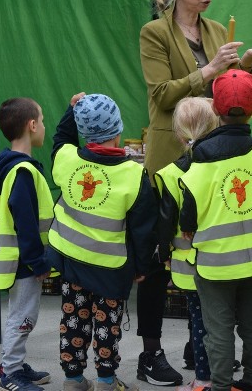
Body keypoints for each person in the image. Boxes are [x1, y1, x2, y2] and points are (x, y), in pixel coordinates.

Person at [138, 0, 252, 378]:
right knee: (164, 258)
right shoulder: (154, 33)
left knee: (207, 253)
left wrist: (247, 65)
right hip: (172, 153)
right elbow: (160, 95)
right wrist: (209, 70)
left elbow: (231, 90)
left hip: (214, 153)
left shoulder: (218, 29)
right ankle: (151, 352)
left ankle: (203, 345)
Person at [47, 93, 157, 391]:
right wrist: (142, 266)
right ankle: (107, 381)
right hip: (112, 268)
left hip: (73, 263)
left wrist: (71, 112)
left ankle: (73, 380)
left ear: (84, 133)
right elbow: (144, 231)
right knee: (107, 326)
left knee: (73, 322)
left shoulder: (67, 160)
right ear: (118, 131)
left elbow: (61, 140)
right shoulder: (133, 175)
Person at [179, 69, 252, 391]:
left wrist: (188, 229)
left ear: (215, 110)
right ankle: (251, 383)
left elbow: (189, 204)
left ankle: (220, 386)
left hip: (214, 263)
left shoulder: (200, 156)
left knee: (217, 329)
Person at [0, 97, 53, 391]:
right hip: (25, 261)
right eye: (43, 120)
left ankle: (15, 363)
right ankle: (10, 373)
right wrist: (38, 262)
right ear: (32, 125)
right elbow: (25, 223)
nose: (44, 126)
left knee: (21, 314)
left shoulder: (11, 165)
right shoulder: (22, 172)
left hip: (21, 259)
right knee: (22, 317)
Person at [152, 97, 219, 390]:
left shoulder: (170, 175)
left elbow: (165, 224)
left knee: (199, 321)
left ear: (179, 135)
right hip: (223, 261)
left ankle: (203, 379)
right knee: (218, 322)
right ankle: (217, 369)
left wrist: (165, 253)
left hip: (186, 265)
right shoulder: (223, 167)